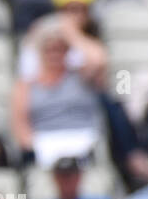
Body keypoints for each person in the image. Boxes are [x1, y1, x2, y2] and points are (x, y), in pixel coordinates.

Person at [10, 22, 105, 169]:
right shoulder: (25, 85)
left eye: (60, 49)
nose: (54, 54)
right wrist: (37, 149)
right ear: (40, 52)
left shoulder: (82, 76)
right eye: (49, 50)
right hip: (43, 147)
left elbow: (99, 59)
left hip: (84, 143)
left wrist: (70, 33)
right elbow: (20, 126)